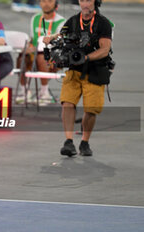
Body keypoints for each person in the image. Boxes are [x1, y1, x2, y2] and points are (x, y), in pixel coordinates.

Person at [43, 0, 113, 157]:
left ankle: (85, 142)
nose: (85, 3)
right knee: (67, 103)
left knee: (91, 110)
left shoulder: (103, 24)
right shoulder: (73, 21)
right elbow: (61, 36)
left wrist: (86, 58)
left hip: (95, 70)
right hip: (74, 70)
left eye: (88, 0)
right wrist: (51, 38)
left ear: (95, 2)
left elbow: (104, 50)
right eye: (82, 0)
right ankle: (68, 142)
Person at [16, 0, 65, 104]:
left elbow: (60, 44)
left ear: (56, 4)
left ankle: (44, 93)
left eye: (50, 1)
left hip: (53, 57)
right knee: (22, 57)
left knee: (41, 57)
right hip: (35, 54)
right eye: (43, 1)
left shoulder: (61, 21)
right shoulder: (35, 18)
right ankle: (24, 92)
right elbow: (32, 39)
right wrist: (29, 47)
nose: (46, 4)